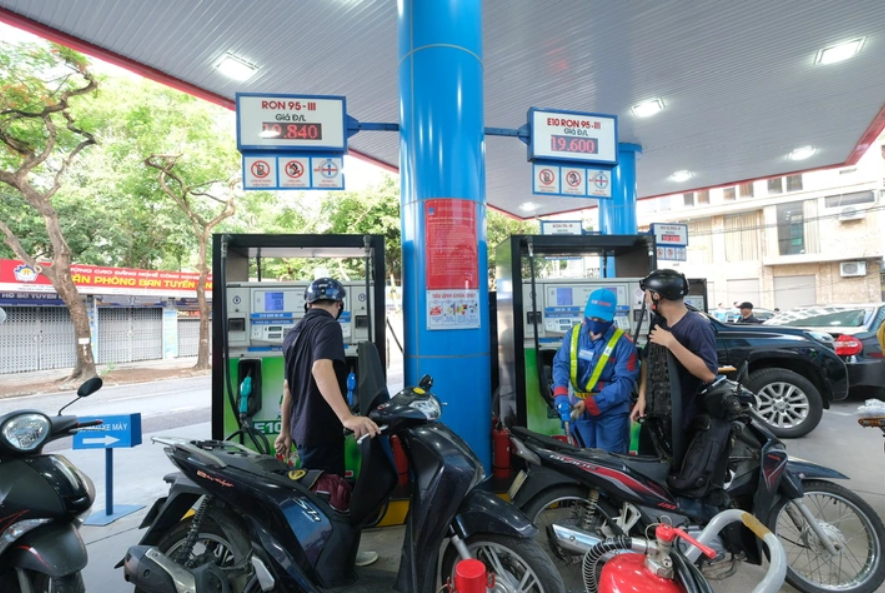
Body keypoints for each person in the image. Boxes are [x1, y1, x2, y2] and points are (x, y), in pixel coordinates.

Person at [275, 278, 380, 566]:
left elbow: (288, 388)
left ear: (307, 303)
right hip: (321, 429)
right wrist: (347, 417)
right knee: (330, 499)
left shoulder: (294, 333)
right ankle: (334, 562)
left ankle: (323, 560)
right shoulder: (329, 326)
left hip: (302, 431)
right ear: (339, 304)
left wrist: (285, 431)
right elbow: (320, 369)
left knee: (314, 498)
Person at [552, 288, 640, 453]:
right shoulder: (573, 335)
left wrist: (590, 403)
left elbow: (623, 385)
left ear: (611, 316)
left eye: (600, 319)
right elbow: (561, 365)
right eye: (591, 317)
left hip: (611, 414)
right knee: (584, 460)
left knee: (610, 461)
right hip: (579, 410)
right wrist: (561, 395)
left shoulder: (624, 344)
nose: (594, 321)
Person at [631, 269, 718, 430]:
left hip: (684, 418)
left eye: (647, 294)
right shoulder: (658, 322)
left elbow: (709, 374)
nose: (646, 299)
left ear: (657, 296)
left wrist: (672, 343)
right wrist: (642, 398)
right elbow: (647, 359)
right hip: (657, 413)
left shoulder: (697, 326)